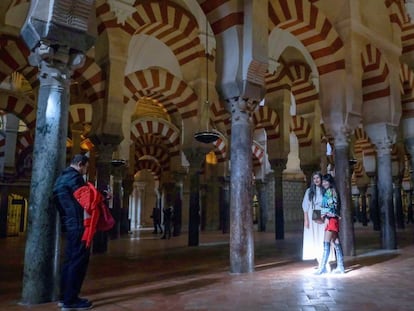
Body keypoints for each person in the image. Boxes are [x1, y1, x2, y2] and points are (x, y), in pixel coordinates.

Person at [53, 154, 93, 310]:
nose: (85, 171)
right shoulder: (75, 178)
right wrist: (102, 197)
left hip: (69, 225)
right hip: (78, 225)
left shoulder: (61, 179)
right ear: (80, 164)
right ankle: (71, 301)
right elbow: (87, 200)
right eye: (86, 167)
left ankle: (64, 298)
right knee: (78, 261)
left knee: (69, 261)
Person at [302, 172, 334, 269]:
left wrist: (326, 216)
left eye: (318, 178)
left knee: (324, 238)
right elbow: (305, 206)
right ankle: (320, 261)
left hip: (325, 215)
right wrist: (306, 220)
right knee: (315, 238)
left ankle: (326, 261)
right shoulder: (309, 191)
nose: (316, 180)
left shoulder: (325, 190)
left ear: (321, 179)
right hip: (314, 215)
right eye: (314, 178)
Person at [314, 173, 345, 275]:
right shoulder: (331, 191)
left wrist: (325, 217)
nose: (324, 183)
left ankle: (322, 267)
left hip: (330, 219)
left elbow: (331, 207)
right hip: (333, 219)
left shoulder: (330, 192)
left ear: (330, 182)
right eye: (323, 181)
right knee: (335, 242)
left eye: (326, 181)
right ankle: (341, 266)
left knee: (326, 243)